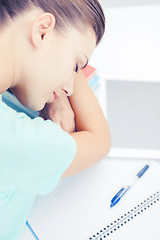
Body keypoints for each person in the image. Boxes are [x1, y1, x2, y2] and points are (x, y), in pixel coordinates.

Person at [0, 0, 111, 239]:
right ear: (42, 31)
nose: (70, 89)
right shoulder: (14, 139)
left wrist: (54, 92)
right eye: (76, 66)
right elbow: (99, 139)